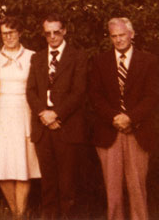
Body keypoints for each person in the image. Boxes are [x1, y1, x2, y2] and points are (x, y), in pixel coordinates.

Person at [89, 17, 159, 220]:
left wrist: (130, 118)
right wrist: (115, 118)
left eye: (122, 35)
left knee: (137, 189)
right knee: (113, 192)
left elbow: (152, 96)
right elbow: (95, 96)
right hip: (109, 132)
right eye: (114, 36)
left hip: (137, 132)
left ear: (131, 34)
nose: (118, 40)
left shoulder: (149, 61)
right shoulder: (99, 61)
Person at [26, 13, 88, 219]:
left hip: (66, 127)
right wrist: (43, 114)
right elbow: (31, 91)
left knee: (67, 182)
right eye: (48, 33)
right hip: (43, 127)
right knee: (48, 182)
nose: (52, 37)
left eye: (56, 32)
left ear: (64, 31)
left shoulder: (78, 56)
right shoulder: (37, 57)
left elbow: (79, 92)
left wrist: (56, 115)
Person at [0, 16, 41, 219]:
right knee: (3, 164)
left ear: (20, 33)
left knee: (23, 162)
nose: (8, 37)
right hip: (2, 110)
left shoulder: (32, 56)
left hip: (25, 109)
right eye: (5, 33)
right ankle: (15, 212)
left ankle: (21, 212)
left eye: (12, 32)